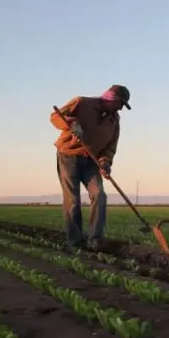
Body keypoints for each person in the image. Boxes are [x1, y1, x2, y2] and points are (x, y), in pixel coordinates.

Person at [49, 85, 131, 251]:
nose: (121, 108)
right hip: (68, 156)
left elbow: (110, 146)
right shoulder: (82, 102)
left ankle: (95, 239)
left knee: (99, 195)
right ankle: (76, 242)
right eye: (120, 103)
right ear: (110, 99)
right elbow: (55, 117)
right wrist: (72, 123)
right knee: (73, 200)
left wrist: (105, 162)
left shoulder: (114, 121)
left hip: (92, 161)